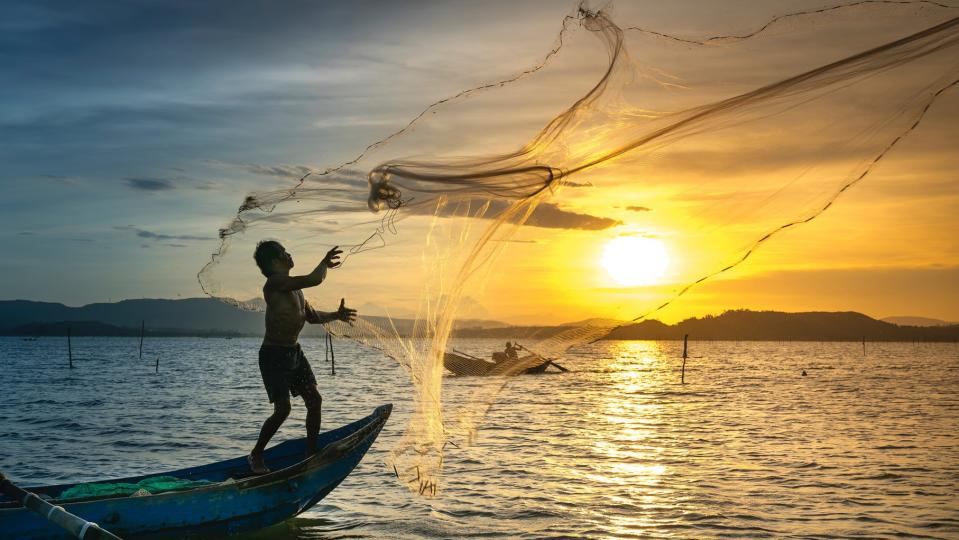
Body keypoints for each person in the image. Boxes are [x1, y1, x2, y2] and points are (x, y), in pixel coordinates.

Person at [247, 240, 357, 475]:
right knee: (283, 409)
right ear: (275, 262)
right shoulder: (275, 284)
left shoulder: (296, 290)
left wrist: (336, 315)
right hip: (274, 354)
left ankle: (310, 452)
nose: (289, 254)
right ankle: (256, 454)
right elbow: (314, 279)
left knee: (314, 400)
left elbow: (312, 317)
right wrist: (325, 263)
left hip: (294, 352)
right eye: (285, 252)